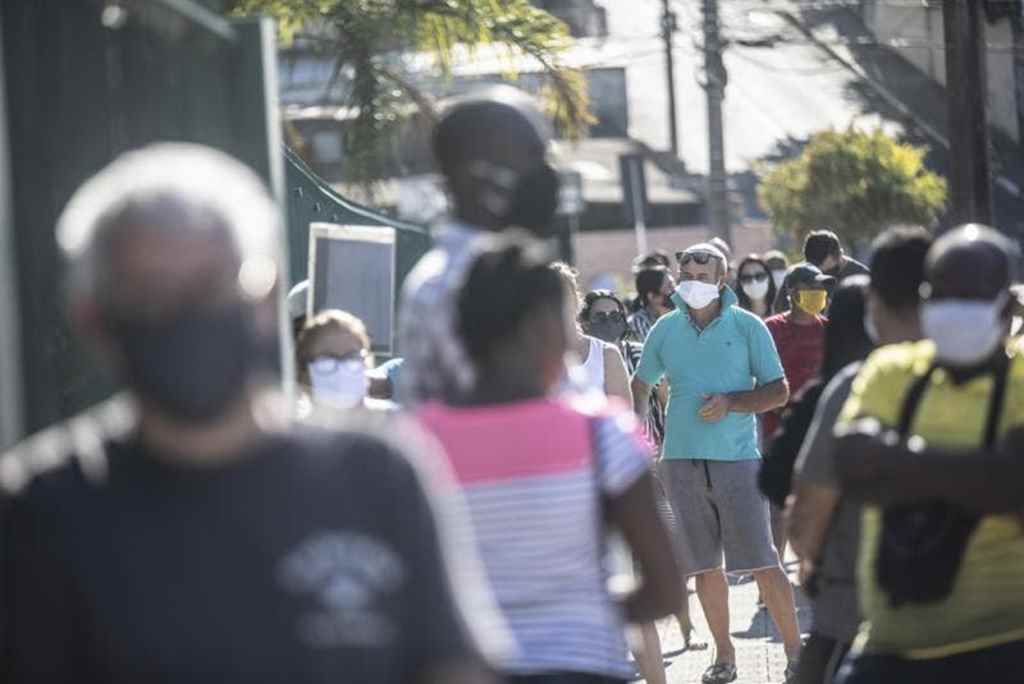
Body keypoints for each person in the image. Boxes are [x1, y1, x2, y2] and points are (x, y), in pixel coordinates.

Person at [0, 144, 505, 683]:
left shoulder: (378, 478)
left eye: (209, 287)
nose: (184, 314)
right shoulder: (41, 512)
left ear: (265, 296)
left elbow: (453, 668)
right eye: (150, 294)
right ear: (94, 320)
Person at [416, 237, 682, 684]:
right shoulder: (603, 434)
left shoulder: (416, 442)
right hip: (582, 667)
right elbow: (666, 590)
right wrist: (576, 616)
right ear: (544, 328)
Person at [833, 224, 1024, 683]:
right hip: (889, 648)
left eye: (970, 296)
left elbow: (1017, 488)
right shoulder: (890, 370)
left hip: (1006, 644)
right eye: (942, 294)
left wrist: (897, 463)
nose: (954, 308)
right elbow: (851, 467)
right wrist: (984, 475)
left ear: (1007, 307)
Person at [631, 242, 802, 684]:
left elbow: (778, 391)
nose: (693, 284)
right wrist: (638, 434)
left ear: (721, 279)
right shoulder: (665, 328)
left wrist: (732, 402)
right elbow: (642, 382)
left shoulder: (748, 326)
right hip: (680, 461)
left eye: (702, 277)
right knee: (705, 569)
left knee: (764, 563)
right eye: (686, 276)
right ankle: (724, 656)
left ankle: (797, 655)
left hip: (738, 460)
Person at [786, 226, 932, 684]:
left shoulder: (859, 385)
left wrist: (811, 562)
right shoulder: (1006, 375)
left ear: (875, 302)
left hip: (866, 616)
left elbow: (808, 516)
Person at [398, 84, 560, 406]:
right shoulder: (449, 282)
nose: (544, 175)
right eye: (529, 159)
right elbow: (512, 404)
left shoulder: (509, 266)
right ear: (471, 175)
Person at [761, 264, 834, 559]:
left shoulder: (829, 329)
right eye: (811, 288)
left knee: (819, 501)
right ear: (792, 292)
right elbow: (759, 375)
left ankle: (814, 565)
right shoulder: (771, 329)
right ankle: (775, 570)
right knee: (778, 506)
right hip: (777, 429)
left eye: (821, 288)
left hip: (819, 429)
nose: (818, 294)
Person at [550, 263, 632, 404]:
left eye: (563, 297)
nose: (556, 306)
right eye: (549, 299)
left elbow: (623, 413)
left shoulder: (606, 354)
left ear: (576, 300)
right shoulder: (527, 358)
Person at [295, 309, 395, 412]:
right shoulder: (289, 422)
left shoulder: (394, 418)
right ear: (303, 370)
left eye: (351, 358)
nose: (341, 370)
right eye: (327, 361)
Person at [628, 266, 676, 342]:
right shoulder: (637, 322)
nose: (674, 291)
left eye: (674, 286)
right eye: (669, 287)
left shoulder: (680, 318)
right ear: (652, 296)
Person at [804, 230, 868, 280]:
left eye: (826, 270)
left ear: (839, 255)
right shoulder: (806, 272)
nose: (820, 273)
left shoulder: (863, 277)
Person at [735, 254, 778, 320]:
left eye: (759, 276)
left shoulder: (782, 311)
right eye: (747, 278)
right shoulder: (735, 317)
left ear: (769, 278)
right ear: (740, 283)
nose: (754, 282)